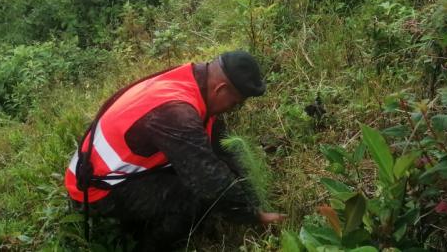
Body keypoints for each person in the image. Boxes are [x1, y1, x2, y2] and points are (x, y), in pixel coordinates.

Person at [64, 50, 285, 250]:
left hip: (107, 170)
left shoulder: (194, 80)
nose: (232, 109)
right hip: (95, 189)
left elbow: (223, 150)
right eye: (235, 103)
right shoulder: (177, 114)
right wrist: (253, 216)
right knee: (190, 202)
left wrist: (252, 196)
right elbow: (209, 180)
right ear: (221, 89)